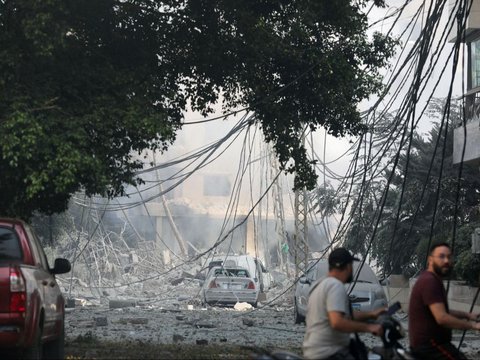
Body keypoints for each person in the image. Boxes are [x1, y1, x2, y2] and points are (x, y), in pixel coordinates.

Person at [303, 247, 385, 359]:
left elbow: (341, 314)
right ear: (346, 266)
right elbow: (337, 322)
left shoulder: (319, 285)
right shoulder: (335, 286)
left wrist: (370, 315)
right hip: (329, 353)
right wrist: (369, 327)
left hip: (315, 350)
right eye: (351, 265)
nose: (352, 270)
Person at [409, 242, 480, 359]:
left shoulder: (432, 279)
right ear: (430, 260)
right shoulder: (429, 281)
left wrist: (467, 315)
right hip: (430, 347)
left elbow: (442, 311)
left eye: (449, 257)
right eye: (441, 256)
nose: (446, 261)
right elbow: (442, 318)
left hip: (432, 345)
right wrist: (473, 326)